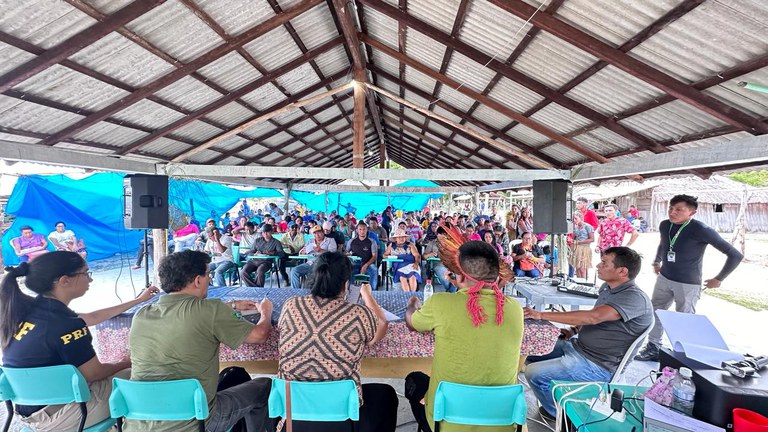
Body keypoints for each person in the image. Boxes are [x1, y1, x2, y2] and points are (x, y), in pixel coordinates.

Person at [0, 251, 159, 432]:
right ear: (64, 281)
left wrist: (139, 300)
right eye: (85, 273)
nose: (89, 280)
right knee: (138, 373)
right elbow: (95, 373)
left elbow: (93, 317)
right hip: (64, 414)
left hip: (32, 409)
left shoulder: (31, 311)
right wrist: (130, 360)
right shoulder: (66, 324)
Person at [128, 250, 273, 432]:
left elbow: (184, 315)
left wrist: (232, 306)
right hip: (196, 422)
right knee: (265, 386)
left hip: (140, 421)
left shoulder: (142, 315)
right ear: (197, 280)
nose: (209, 280)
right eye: (208, 275)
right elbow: (259, 335)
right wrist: (266, 311)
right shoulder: (211, 311)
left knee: (232, 376)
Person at [405, 240, 523, 432]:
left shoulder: (440, 303)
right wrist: (461, 285)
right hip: (502, 423)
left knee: (413, 379)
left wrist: (412, 303)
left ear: (459, 276)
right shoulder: (514, 308)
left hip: (446, 423)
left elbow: (412, 323)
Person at [523, 247, 653, 421]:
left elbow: (594, 317)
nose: (598, 265)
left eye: (604, 263)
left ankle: (561, 416)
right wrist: (574, 330)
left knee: (534, 373)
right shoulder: (608, 288)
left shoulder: (635, 298)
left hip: (598, 365)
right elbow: (594, 315)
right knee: (532, 349)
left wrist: (540, 314)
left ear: (622, 271)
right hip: (578, 347)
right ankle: (556, 397)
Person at [277, 251, 396, 432]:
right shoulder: (357, 313)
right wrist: (367, 295)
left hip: (293, 415)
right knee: (386, 394)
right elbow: (381, 326)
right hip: (342, 414)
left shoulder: (291, 305)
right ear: (346, 284)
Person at [635, 194, 744, 362]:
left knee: (684, 320)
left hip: (688, 283)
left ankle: (682, 355)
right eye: (671, 208)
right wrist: (657, 260)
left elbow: (734, 255)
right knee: (656, 311)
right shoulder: (665, 225)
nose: (672, 212)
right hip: (665, 277)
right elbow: (665, 243)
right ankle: (653, 347)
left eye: (679, 210)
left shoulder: (701, 230)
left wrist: (719, 278)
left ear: (692, 212)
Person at [345, 221, 379, 290]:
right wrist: (347, 254)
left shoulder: (372, 241)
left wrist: (365, 265)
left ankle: (373, 292)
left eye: (364, 229)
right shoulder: (351, 241)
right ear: (357, 230)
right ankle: (351, 292)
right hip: (355, 263)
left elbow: (374, 256)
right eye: (360, 229)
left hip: (368, 263)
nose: (362, 231)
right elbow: (346, 252)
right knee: (348, 271)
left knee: (374, 270)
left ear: (367, 230)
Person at [570, 212, 594, 279]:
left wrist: (579, 242)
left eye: (575, 218)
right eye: (573, 219)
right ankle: (579, 282)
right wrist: (571, 240)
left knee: (583, 269)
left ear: (581, 218)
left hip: (585, 248)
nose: (574, 220)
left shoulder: (588, 226)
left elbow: (592, 239)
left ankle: (585, 283)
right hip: (576, 248)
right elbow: (574, 238)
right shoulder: (575, 227)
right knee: (577, 268)